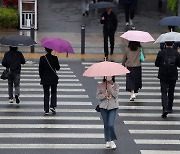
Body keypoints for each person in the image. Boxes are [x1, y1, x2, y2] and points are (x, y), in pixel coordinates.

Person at [155, 41, 180, 118]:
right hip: (173, 75)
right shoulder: (176, 53)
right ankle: (170, 107)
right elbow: (179, 64)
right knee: (171, 91)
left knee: (164, 92)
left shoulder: (161, 53)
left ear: (165, 44)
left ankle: (164, 108)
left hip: (163, 75)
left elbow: (157, 64)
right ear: (173, 44)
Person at [96, 76, 119, 149]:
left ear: (113, 76)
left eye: (110, 75)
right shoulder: (100, 85)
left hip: (113, 107)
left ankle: (112, 140)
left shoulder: (116, 85)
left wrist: (110, 88)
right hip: (103, 107)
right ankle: (107, 140)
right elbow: (98, 96)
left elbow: (115, 95)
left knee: (111, 125)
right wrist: (104, 95)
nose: (108, 77)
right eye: (107, 76)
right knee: (106, 125)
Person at [39, 48, 60, 115]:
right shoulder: (55, 58)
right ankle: (53, 106)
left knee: (46, 93)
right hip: (53, 78)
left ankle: (46, 109)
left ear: (45, 50)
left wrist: (42, 77)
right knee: (54, 92)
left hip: (45, 78)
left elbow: (40, 70)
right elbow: (58, 68)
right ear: (52, 50)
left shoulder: (42, 58)